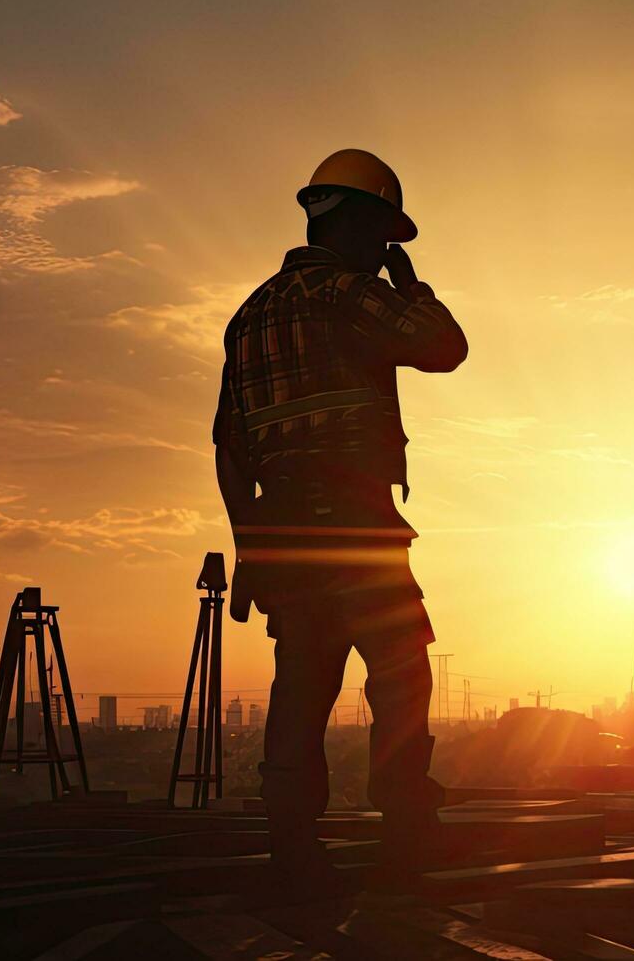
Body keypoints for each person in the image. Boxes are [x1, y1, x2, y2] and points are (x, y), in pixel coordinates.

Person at [213, 148, 468, 889]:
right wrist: (408, 284)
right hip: (356, 522)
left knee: (300, 685)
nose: (387, 250)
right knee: (400, 675)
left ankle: (292, 848)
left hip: (285, 535)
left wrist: (249, 546)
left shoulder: (249, 314)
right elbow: (445, 348)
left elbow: (229, 445)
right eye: (385, 234)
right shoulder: (350, 295)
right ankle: (408, 829)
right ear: (358, 223)